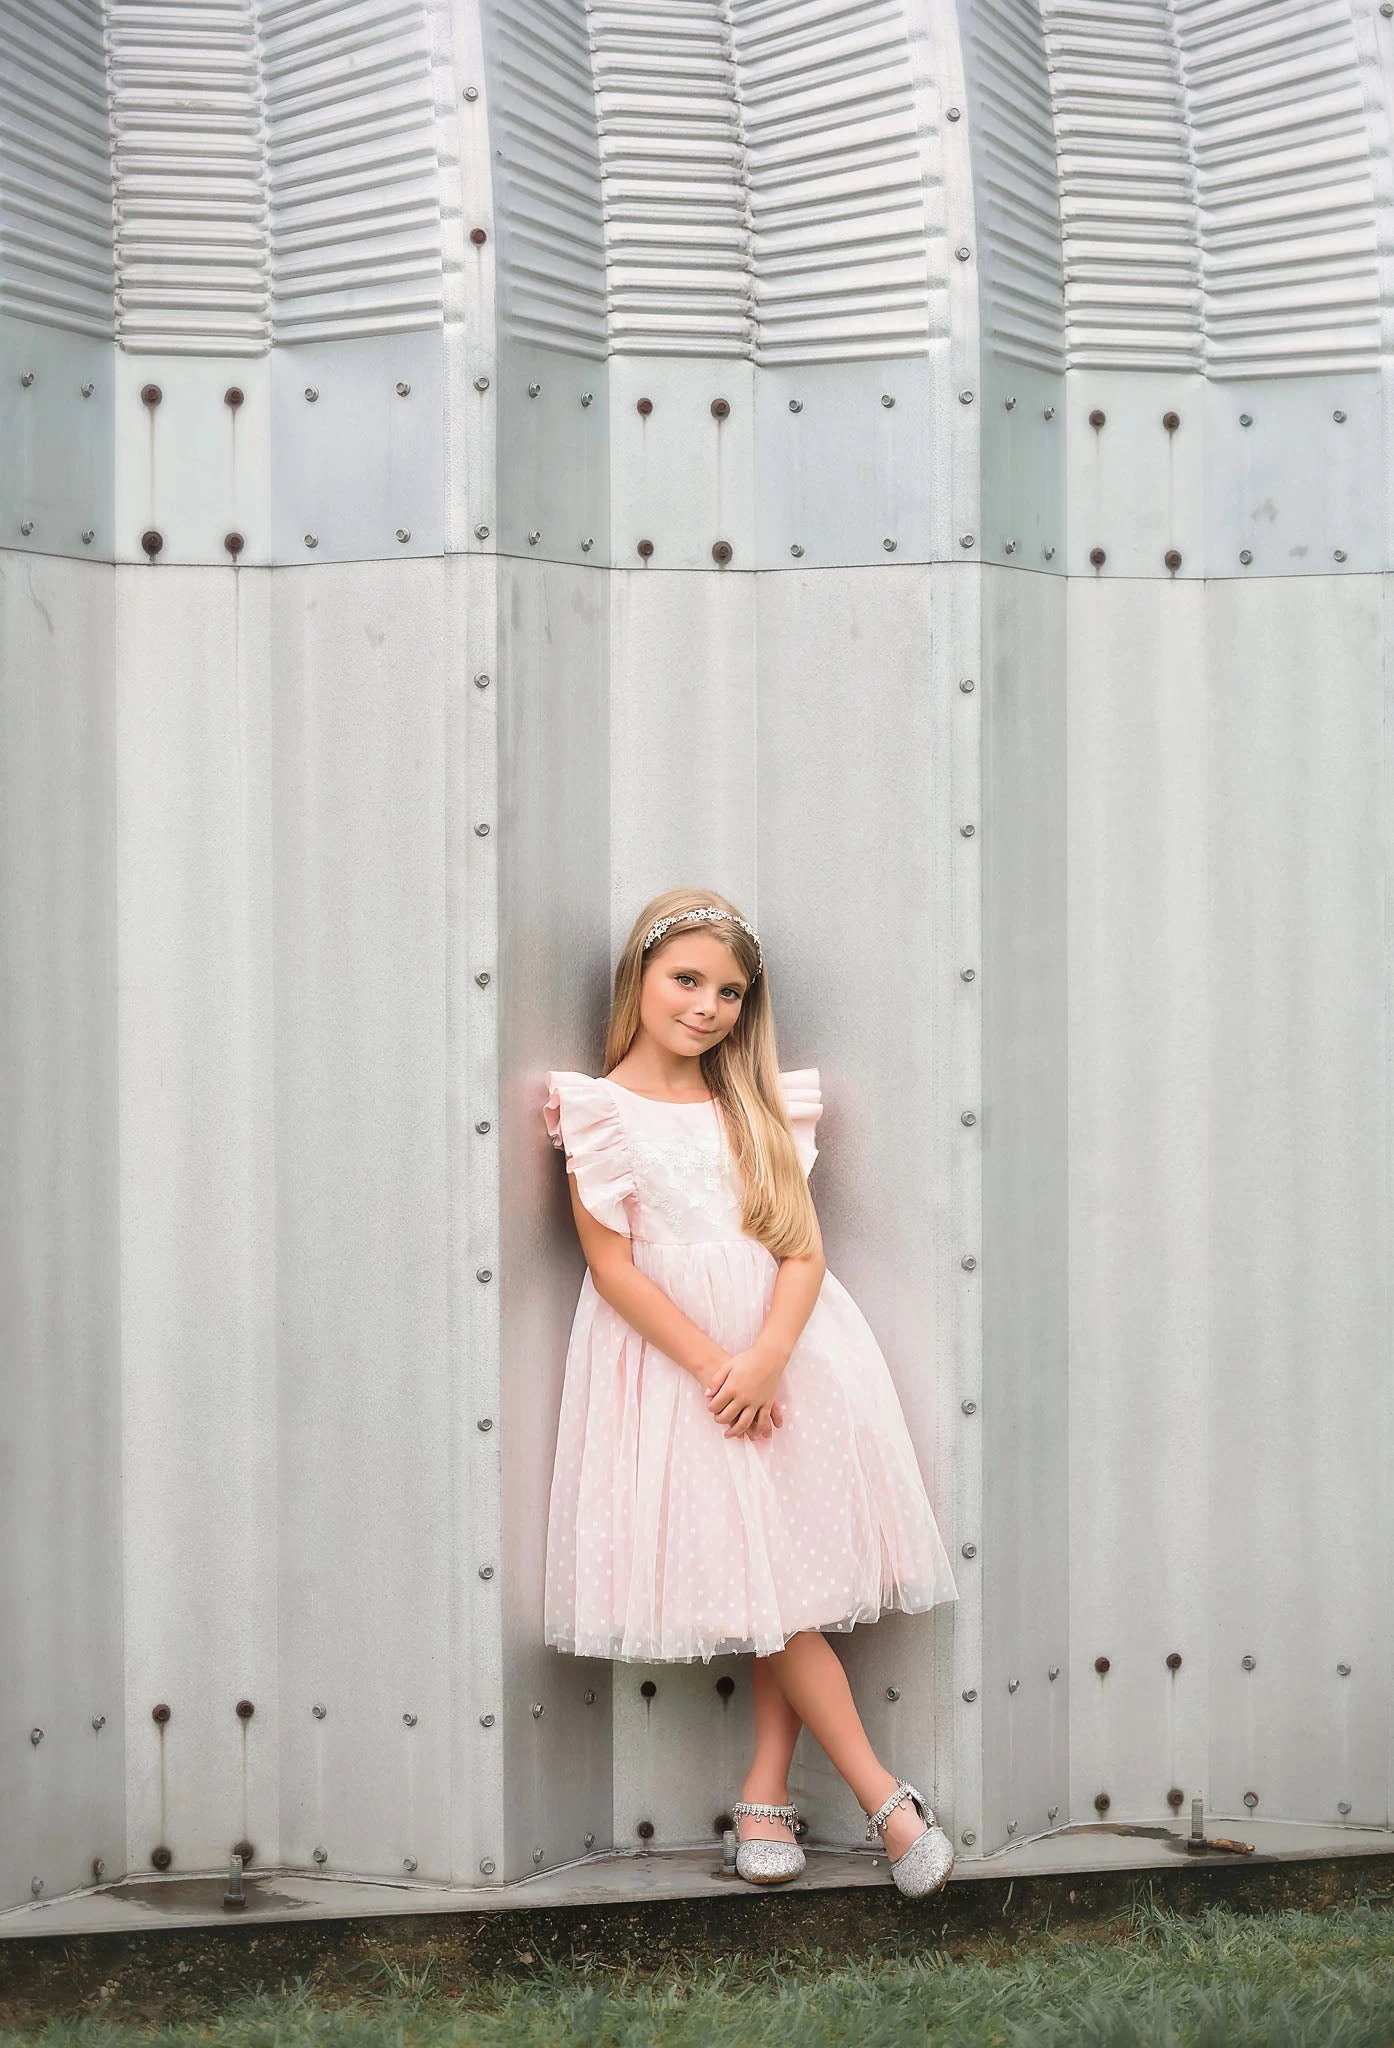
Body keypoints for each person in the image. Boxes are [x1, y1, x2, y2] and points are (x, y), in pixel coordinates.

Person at [541, 887, 960, 1898]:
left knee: (787, 1581)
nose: (707, 1006)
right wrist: (716, 1366)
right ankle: (883, 1799)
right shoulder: (600, 1112)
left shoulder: (750, 1104)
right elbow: (612, 1267)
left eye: (729, 991)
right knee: (768, 1581)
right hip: (679, 1368)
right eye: (686, 979)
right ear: (639, 977)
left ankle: (768, 1794)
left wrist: (767, 1354)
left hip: (789, 1351)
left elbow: (801, 1249)